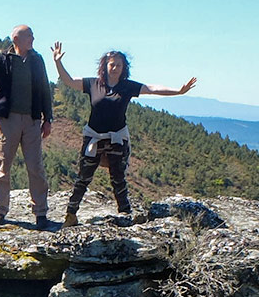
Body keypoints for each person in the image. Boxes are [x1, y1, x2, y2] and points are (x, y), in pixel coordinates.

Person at [50, 43, 195, 225]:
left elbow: (152, 88)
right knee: (84, 177)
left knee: (118, 177)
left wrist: (178, 91)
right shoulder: (93, 83)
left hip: (117, 137)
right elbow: (69, 81)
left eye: (119, 65)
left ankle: (125, 213)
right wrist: (57, 62)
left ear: (124, 67)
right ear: (105, 66)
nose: (115, 68)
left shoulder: (127, 87)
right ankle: (71, 214)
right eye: (112, 64)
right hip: (94, 137)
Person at [0, 16, 54, 228]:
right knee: (3, 166)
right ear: (17, 38)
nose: (33, 38)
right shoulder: (2, 58)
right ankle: (0, 211)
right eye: (29, 35)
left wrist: (47, 118)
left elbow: (44, 89)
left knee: (36, 167)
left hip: (32, 120)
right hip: (8, 120)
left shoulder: (37, 60)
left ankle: (40, 213)